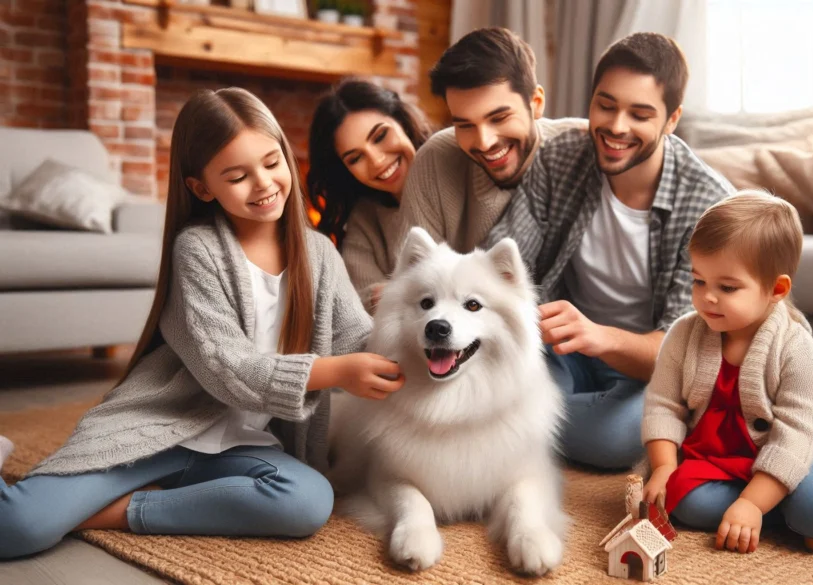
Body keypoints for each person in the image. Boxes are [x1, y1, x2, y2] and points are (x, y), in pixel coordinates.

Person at [0, 88, 405, 559]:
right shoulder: (197, 250)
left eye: (272, 162)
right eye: (238, 176)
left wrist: (411, 332)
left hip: (241, 447)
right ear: (202, 187)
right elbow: (225, 367)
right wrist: (335, 372)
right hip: (158, 432)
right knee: (16, 528)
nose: (264, 184)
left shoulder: (319, 254)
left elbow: (355, 336)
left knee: (308, 501)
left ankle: (121, 510)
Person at [483, 32, 732, 470]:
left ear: (671, 120)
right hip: (563, 352)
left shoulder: (708, 205)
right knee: (494, 379)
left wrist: (599, 336)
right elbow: (504, 262)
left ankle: (519, 429)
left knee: (610, 441)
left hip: (650, 371)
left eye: (639, 114)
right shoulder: (560, 158)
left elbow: (683, 349)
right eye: (606, 105)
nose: (616, 127)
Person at [642, 191, 813, 554]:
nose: (707, 297)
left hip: (798, 451)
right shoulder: (684, 334)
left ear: (776, 289)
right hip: (721, 456)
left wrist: (752, 504)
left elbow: (795, 437)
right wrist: (663, 467)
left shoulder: (797, 349)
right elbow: (663, 405)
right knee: (689, 504)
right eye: (698, 281)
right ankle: (786, 513)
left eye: (726, 287)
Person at [398, 27, 586, 255]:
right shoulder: (434, 160)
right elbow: (414, 278)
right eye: (465, 125)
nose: (484, 142)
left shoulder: (587, 147)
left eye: (499, 118)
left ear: (536, 103)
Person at [306, 79, 433, 312]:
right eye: (355, 158)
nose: (376, 161)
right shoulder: (365, 217)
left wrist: (394, 292)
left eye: (380, 136)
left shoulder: (454, 170)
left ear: (403, 122)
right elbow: (360, 302)